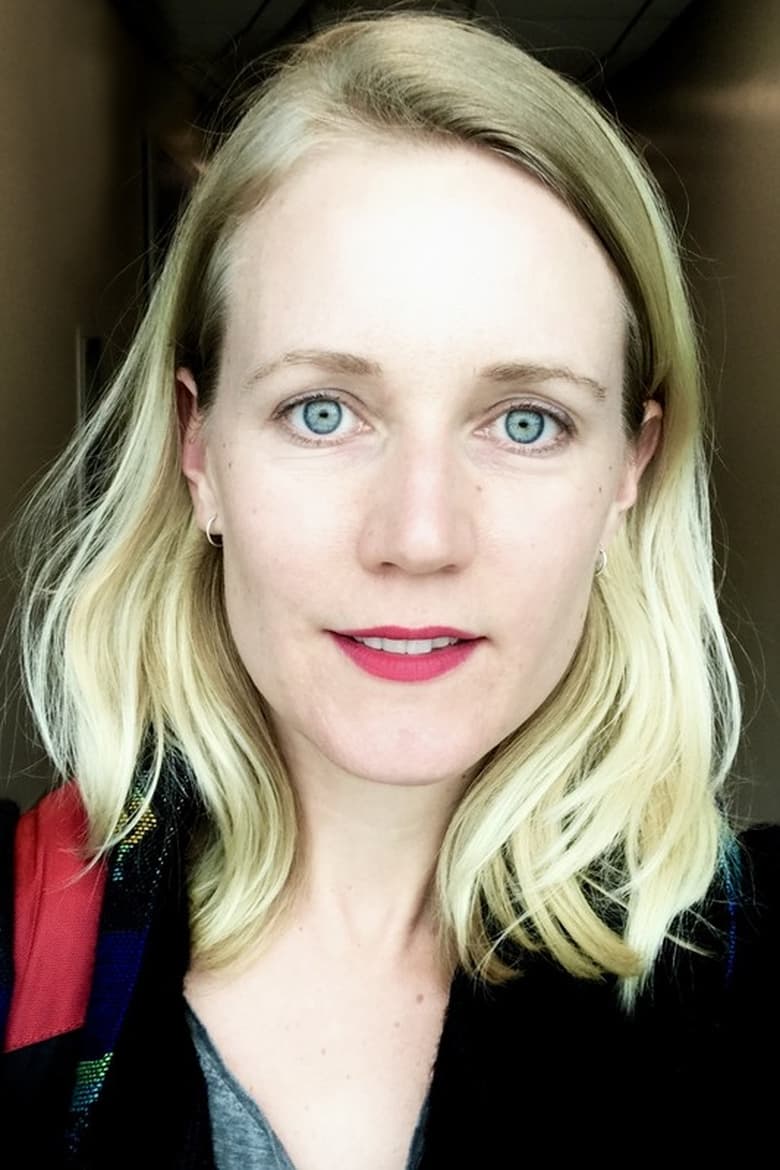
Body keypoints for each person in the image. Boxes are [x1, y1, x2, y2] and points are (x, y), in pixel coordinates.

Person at [1, 9, 777, 1168]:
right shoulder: (23, 958)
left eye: (527, 421)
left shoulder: (740, 982)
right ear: (198, 448)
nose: (419, 537)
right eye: (323, 411)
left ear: (631, 469)